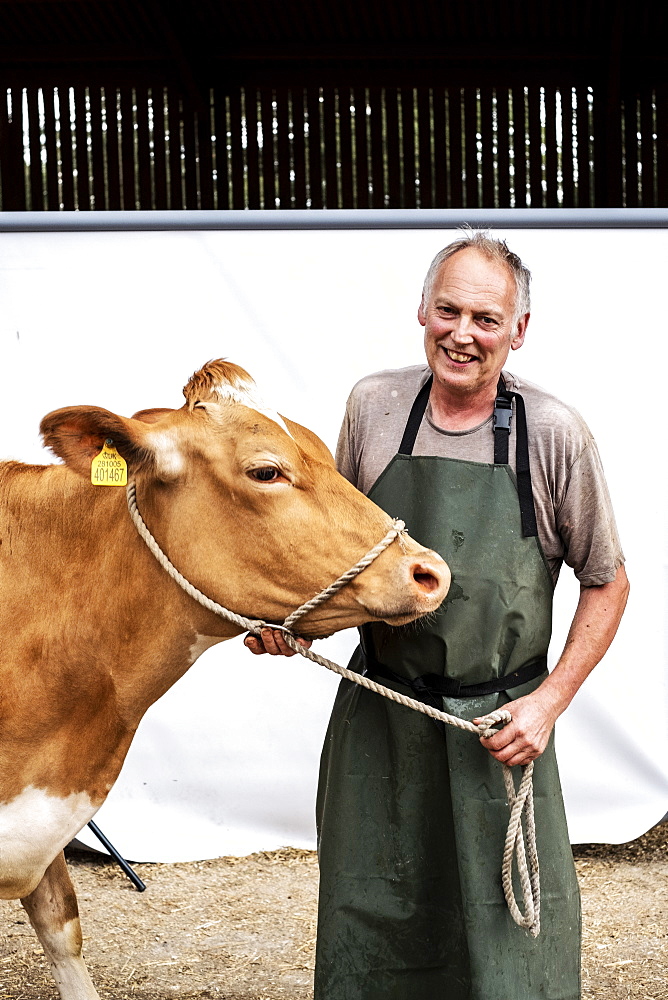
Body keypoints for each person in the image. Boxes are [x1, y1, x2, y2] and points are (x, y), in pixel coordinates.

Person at [245, 232, 629, 1000]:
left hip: (498, 731)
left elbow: (607, 581)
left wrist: (548, 704)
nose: (462, 334)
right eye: (447, 310)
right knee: (375, 922)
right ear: (422, 309)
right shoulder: (374, 409)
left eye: (486, 319)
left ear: (519, 329)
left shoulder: (553, 433)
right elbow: (344, 566)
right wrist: (295, 625)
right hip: (380, 721)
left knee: (508, 944)